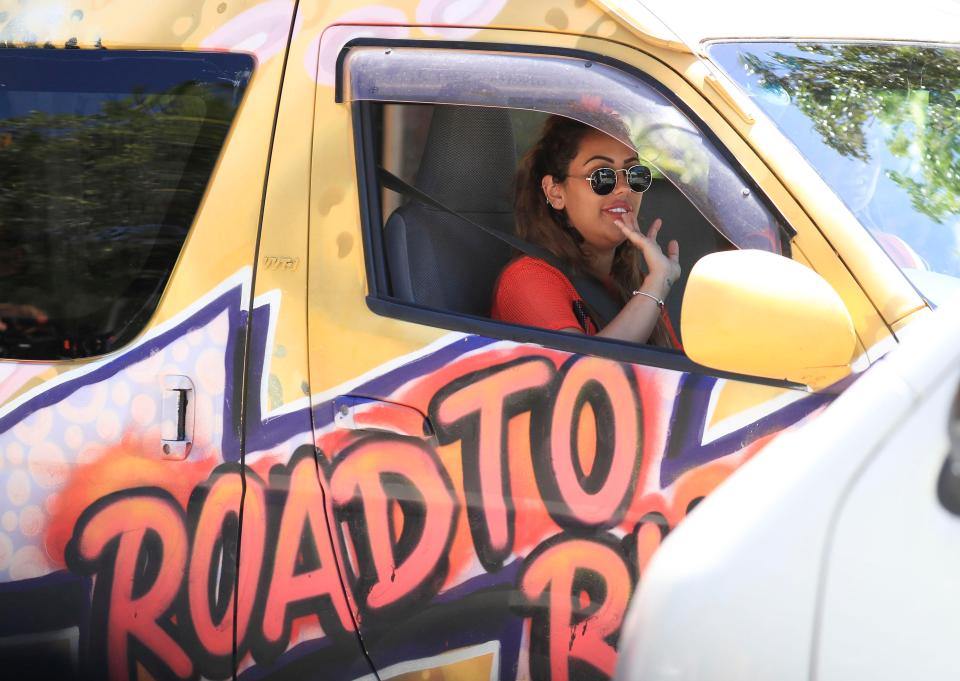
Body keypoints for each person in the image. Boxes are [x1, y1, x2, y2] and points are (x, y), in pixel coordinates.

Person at [491, 114, 681, 347]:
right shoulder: (527, 278)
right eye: (602, 176)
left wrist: (653, 285)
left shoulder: (637, 283)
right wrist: (658, 283)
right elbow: (583, 373)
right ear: (555, 192)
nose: (623, 188)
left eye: (634, 174)